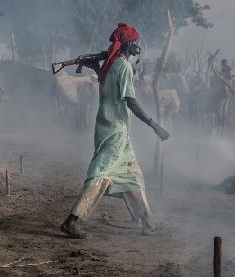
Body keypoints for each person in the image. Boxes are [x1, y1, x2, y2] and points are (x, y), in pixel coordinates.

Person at [61, 23, 169, 239]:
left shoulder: (110, 66)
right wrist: (154, 124)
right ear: (129, 45)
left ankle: (147, 221)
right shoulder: (124, 67)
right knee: (99, 173)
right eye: (136, 43)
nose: (139, 47)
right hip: (115, 131)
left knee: (132, 175)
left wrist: (95, 67)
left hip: (111, 128)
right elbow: (130, 100)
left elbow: (106, 85)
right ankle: (72, 220)